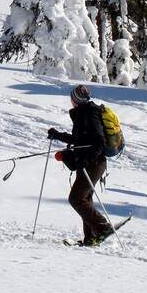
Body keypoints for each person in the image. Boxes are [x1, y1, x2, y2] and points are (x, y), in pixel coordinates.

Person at [47, 84, 114, 246]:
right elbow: (80, 140)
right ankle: (91, 238)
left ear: (75, 100)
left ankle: (103, 227)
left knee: (76, 198)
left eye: (72, 98)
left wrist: (86, 159)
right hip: (88, 163)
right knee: (85, 199)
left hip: (94, 163)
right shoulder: (82, 113)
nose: (70, 100)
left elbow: (99, 142)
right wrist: (58, 136)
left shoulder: (90, 113)